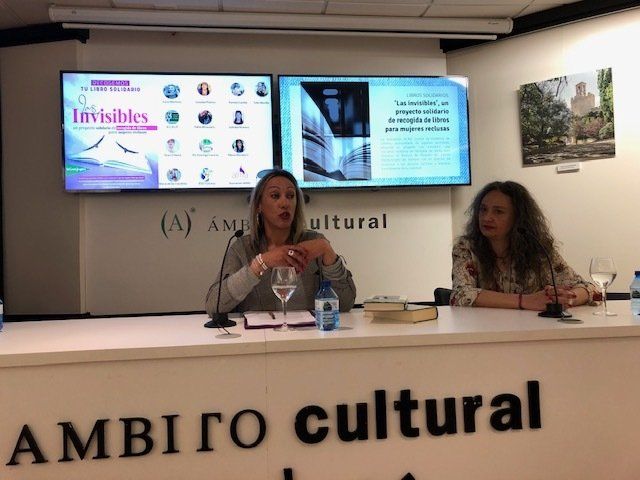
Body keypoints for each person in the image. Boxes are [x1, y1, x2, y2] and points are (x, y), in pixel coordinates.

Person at [205, 169, 356, 315]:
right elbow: (213, 306)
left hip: (309, 331)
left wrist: (327, 250)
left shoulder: (314, 242)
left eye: (290, 196)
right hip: (261, 332)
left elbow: (345, 304)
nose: (285, 203)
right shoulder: (242, 248)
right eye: (275, 196)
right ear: (259, 205)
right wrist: (261, 263)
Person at [450, 180, 597, 311]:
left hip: (531, 329)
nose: (487, 217)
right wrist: (526, 301)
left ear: (517, 218)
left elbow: (589, 288)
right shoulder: (466, 247)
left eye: (498, 212)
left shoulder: (538, 249)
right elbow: (460, 294)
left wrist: (567, 298)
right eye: (483, 209)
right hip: (484, 329)